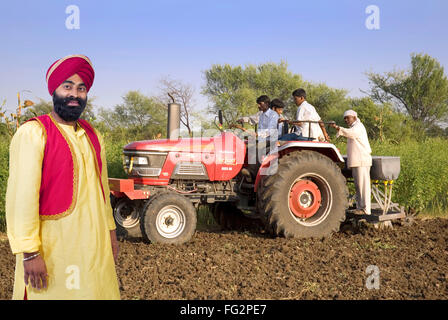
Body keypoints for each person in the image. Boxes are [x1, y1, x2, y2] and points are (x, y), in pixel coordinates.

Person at [5, 54, 120, 299]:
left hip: (95, 247)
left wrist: (111, 232)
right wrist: (29, 253)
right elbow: (21, 198)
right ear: (54, 91)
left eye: (81, 89)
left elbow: (102, 192)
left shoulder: (92, 135)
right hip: (53, 251)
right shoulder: (34, 133)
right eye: (67, 86)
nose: (74, 94)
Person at [329, 110, 372, 215]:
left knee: (363, 186)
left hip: (361, 160)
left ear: (354, 117)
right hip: (357, 161)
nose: (346, 120)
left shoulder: (358, 127)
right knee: (358, 186)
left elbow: (351, 134)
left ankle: (366, 209)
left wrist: (338, 128)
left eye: (348, 117)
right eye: (345, 118)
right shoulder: (353, 127)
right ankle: (360, 207)